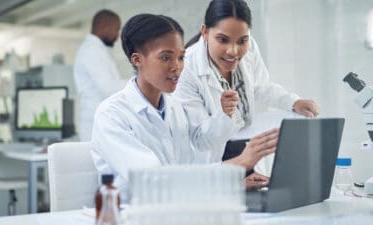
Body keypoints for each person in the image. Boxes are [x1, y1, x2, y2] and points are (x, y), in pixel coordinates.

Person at [91, 13, 278, 201]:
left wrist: (233, 185)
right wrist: (238, 164)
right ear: (137, 60)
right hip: (133, 215)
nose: (177, 67)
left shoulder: (174, 108)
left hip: (177, 208)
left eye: (181, 57)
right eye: (166, 58)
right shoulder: (112, 115)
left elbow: (188, 171)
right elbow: (155, 180)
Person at [173, 0, 320, 172]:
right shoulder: (185, 69)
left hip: (246, 150)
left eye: (242, 41)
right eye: (223, 40)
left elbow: (261, 86)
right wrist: (224, 115)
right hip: (214, 162)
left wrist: (293, 102)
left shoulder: (250, 47)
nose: (233, 51)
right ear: (205, 32)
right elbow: (199, 140)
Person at [74, 9, 127, 141]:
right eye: (117, 29)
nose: (117, 35)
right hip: (94, 124)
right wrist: (141, 82)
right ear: (104, 27)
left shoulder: (96, 50)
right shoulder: (92, 51)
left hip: (100, 121)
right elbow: (108, 88)